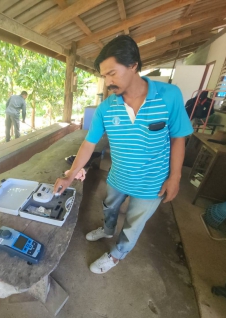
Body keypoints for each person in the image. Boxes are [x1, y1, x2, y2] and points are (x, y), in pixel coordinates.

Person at [53, 35, 193, 274]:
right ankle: (107, 230)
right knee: (109, 206)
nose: (108, 81)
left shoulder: (169, 96)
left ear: (133, 66)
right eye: (104, 76)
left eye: (112, 73)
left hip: (153, 181)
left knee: (134, 224)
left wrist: (175, 178)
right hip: (119, 175)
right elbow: (88, 144)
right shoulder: (106, 108)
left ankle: (117, 255)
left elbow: (178, 137)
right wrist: (69, 175)